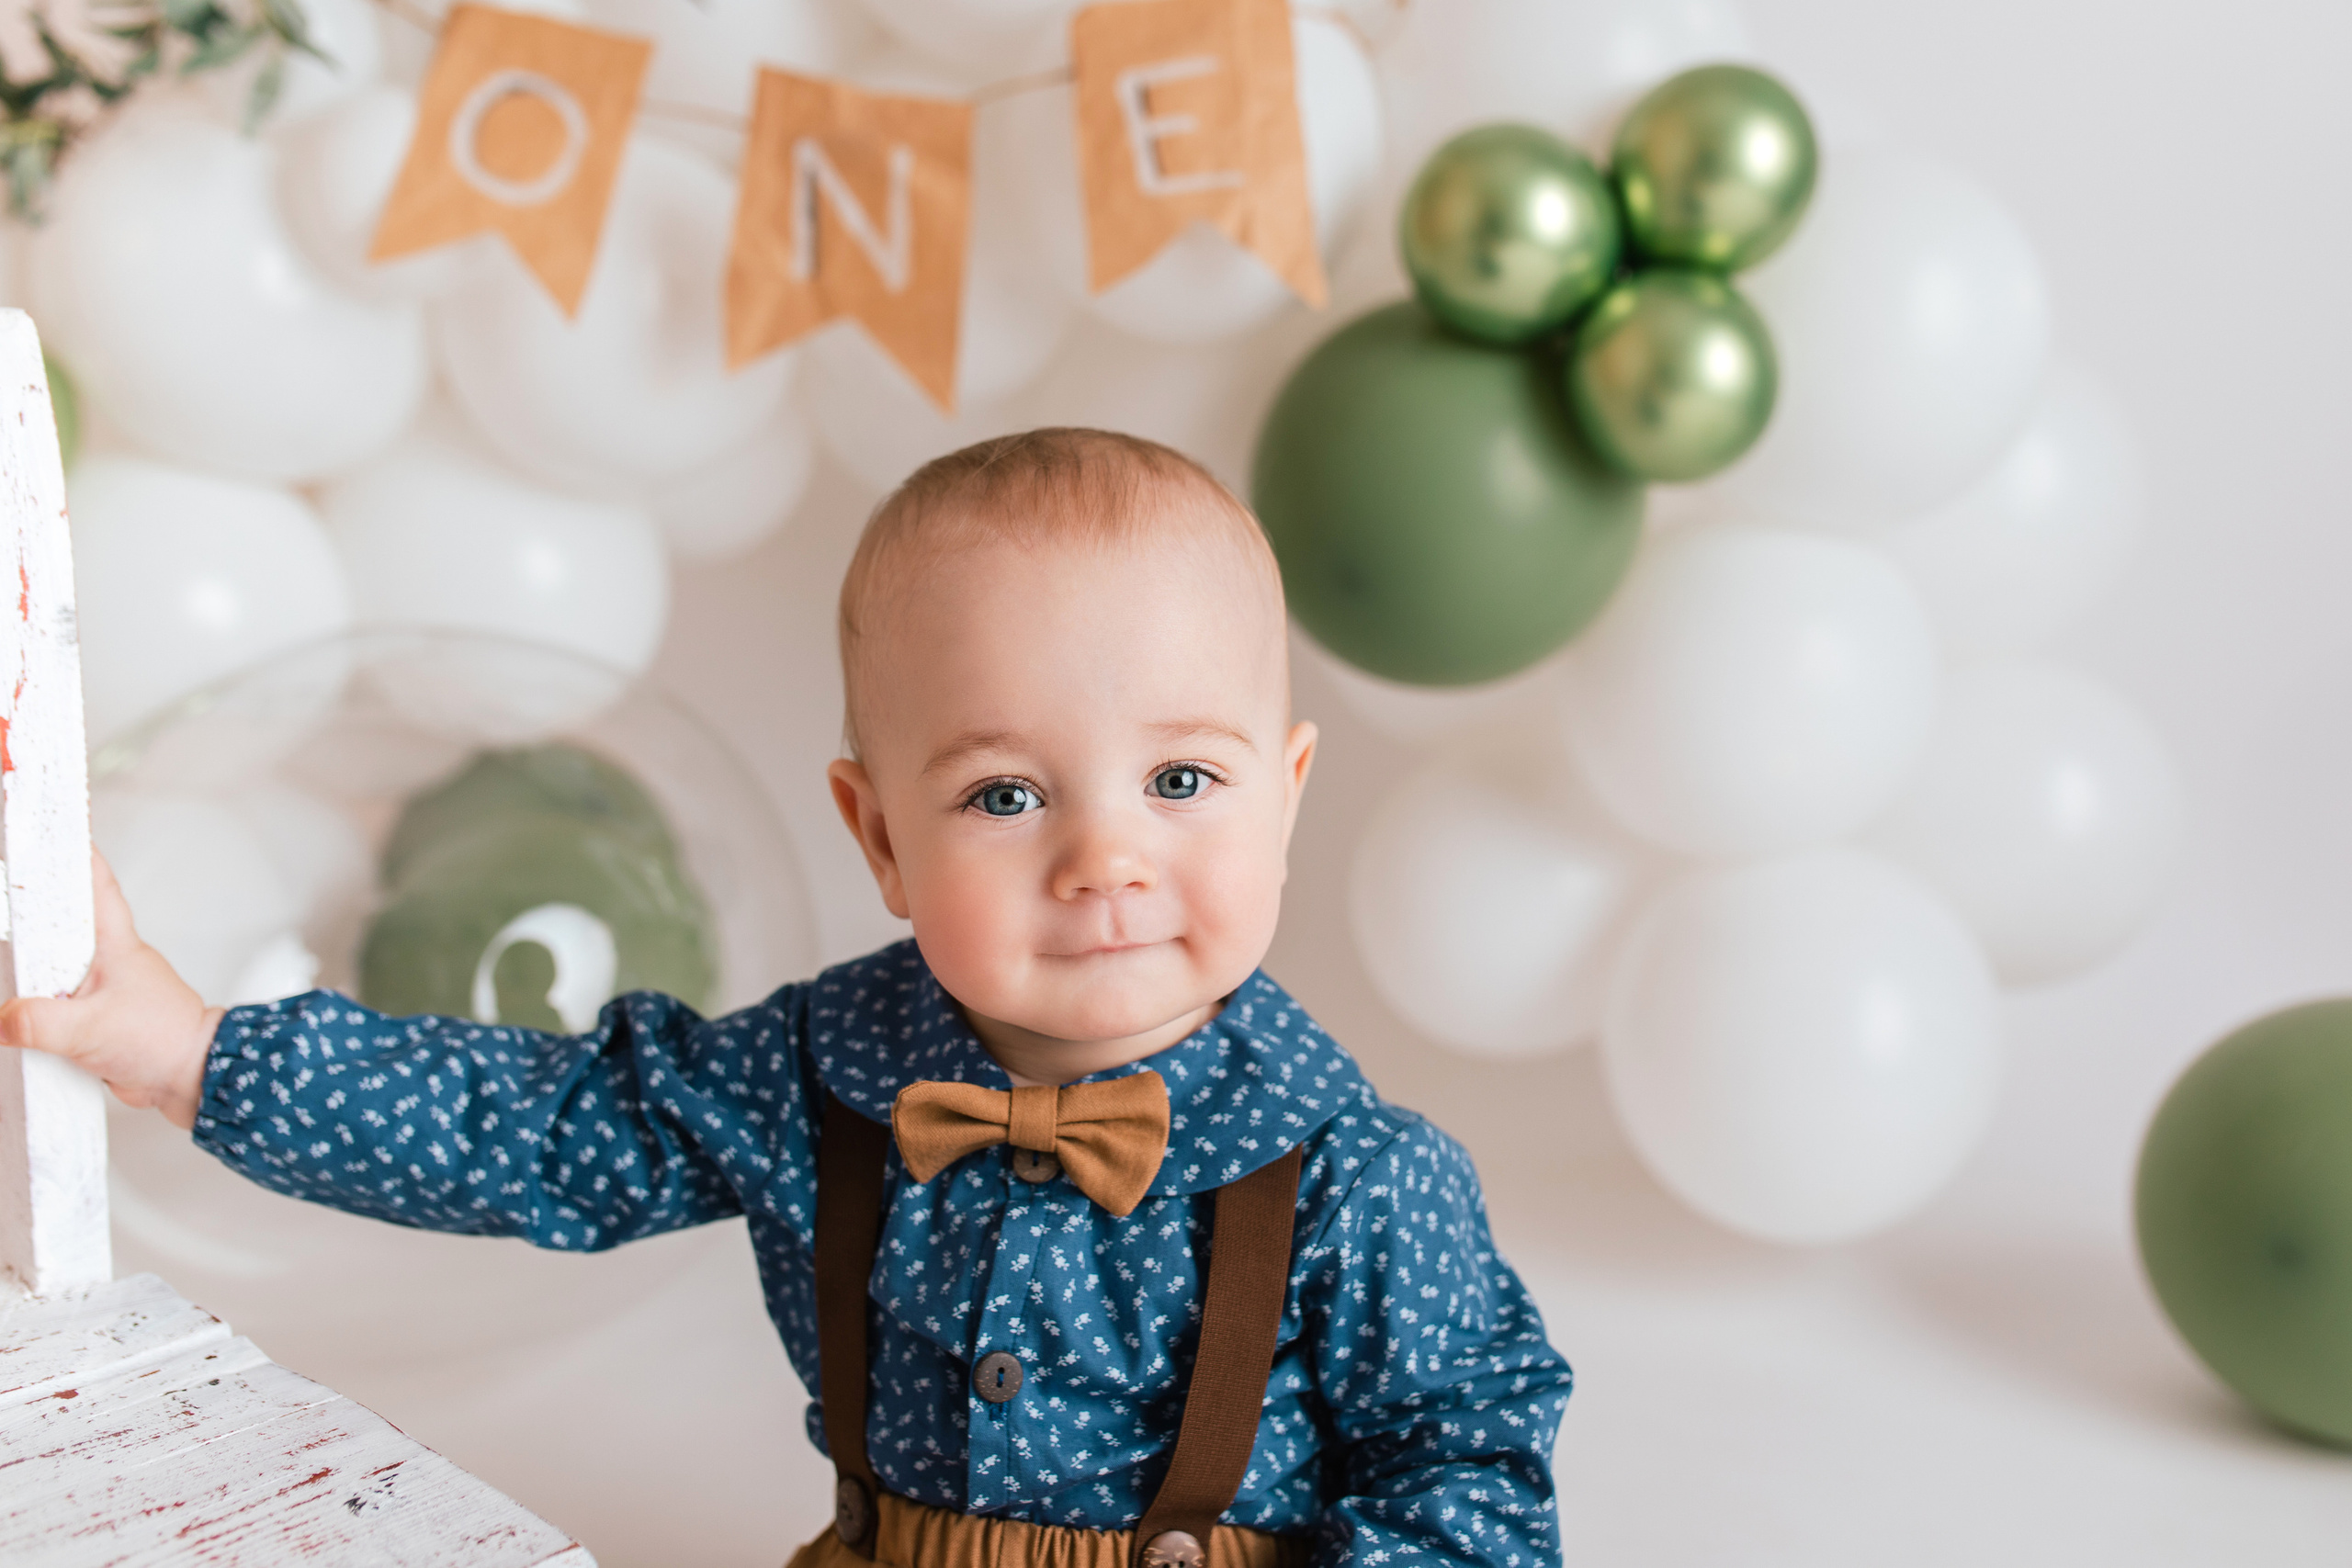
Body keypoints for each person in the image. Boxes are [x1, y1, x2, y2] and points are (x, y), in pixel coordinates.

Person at [6, 429, 1573, 1567]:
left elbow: (1465, 1471)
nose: (1107, 858)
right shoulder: (817, 1074)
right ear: (879, 835)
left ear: (1285, 799)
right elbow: (532, 1131)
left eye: (1180, 779)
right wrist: (184, 1048)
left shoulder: (1364, 1179)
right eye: (1008, 796)